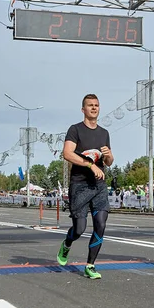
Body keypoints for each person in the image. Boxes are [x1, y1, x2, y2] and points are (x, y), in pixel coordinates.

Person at [56, 93, 114, 280]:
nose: (94, 108)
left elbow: (110, 162)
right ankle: (67, 243)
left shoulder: (104, 133)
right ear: (83, 109)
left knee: (101, 224)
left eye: (96, 105)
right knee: (79, 229)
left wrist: (108, 155)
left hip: (99, 186)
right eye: (90, 105)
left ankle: (90, 265)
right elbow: (67, 153)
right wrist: (90, 165)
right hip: (80, 185)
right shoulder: (75, 130)